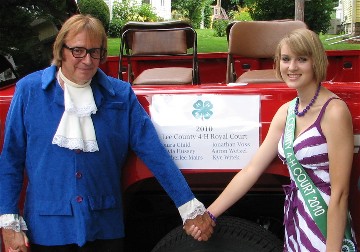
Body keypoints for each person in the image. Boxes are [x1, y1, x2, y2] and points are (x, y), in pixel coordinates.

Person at [0, 14, 214, 252]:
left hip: (104, 227)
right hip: (48, 230)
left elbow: (154, 152)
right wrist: (9, 224)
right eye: (78, 51)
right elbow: (11, 161)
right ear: (61, 50)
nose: (88, 60)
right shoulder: (29, 91)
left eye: (95, 52)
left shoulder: (120, 95)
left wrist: (188, 207)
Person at [185, 28, 358, 251]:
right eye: (286, 59)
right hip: (297, 221)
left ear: (315, 62)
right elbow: (251, 171)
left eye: (301, 59)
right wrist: (209, 215)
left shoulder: (333, 112)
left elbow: (341, 193)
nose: (292, 67)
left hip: (326, 224)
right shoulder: (285, 113)